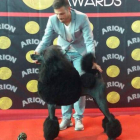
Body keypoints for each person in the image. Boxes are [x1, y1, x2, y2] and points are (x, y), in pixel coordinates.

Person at [34, 0, 102, 131]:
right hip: (62, 53)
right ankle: (66, 118)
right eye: (57, 14)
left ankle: (78, 118)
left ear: (69, 9)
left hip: (79, 52)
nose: (59, 17)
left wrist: (90, 60)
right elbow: (46, 38)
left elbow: (89, 40)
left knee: (78, 83)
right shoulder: (53, 20)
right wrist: (37, 52)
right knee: (62, 84)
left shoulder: (82, 18)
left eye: (62, 14)